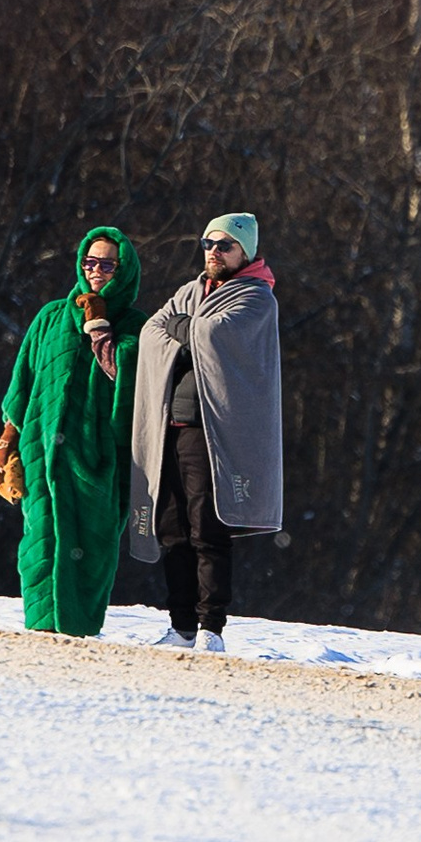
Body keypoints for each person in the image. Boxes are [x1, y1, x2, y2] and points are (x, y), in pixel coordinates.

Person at [127, 213, 283, 650]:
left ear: (244, 252)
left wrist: (187, 329)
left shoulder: (256, 298)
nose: (213, 251)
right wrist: (189, 331)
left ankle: (211, 627)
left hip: (213, 433)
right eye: (208, 243)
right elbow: (152, 330)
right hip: (170, 427)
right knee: (171, 529)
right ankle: (181, 625)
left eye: (224, 245)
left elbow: (217, 334)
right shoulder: (189, 291)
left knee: (207, 531)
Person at [0, 227, 143, 637]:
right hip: (41, 450)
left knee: (93, 545)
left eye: (106, 264)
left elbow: (131, 383)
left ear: (123, 269)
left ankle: (79, 632)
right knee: (39, 540)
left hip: (97, 455)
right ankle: (40, 631)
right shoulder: (50, 317)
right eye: (89, 262)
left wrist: (100, 328)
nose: (95, 271)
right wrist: (7, 441)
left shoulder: (137, 326)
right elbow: (22, 382)